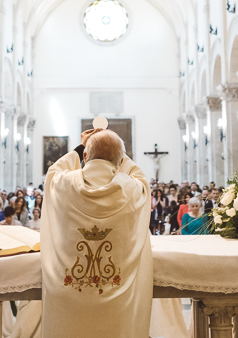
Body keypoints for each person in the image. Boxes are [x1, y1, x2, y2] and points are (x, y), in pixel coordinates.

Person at [42, 128, 151, 338]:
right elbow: (140, 176)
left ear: (84, 156)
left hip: (69, 301)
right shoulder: (132, 188)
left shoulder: (63, 182)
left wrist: (82, 145)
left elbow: (53, 171)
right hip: (117, 304)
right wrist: (116, 151)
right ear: (120, 161)